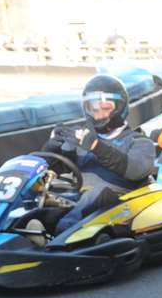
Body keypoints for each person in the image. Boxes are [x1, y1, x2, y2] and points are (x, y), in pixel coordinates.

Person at [46, 74, 156, 232]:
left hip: (122, 203)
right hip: (83, 201)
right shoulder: (83, 138)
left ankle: (61, 233)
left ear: (120, 107)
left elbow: (135, 170)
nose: (99, 115)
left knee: (96, 194)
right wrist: (51, 148)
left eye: (105, 108)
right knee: (44, 201)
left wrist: (96, 147)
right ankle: (24, 233)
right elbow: (59, 170)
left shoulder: (139, 141)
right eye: (94, 109)